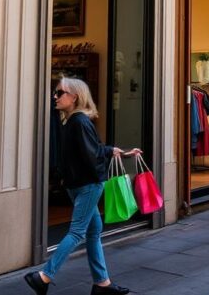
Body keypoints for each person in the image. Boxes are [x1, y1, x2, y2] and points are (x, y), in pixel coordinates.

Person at [24, 77, 136, 295]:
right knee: (77, 232)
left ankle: (102, 283)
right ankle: (44, 276)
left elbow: (90, 150)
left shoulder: (71, 122)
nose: (55, 97)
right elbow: (92, 155)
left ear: (74, 97)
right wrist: (102, 171)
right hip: (88, 184)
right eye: (56, 93)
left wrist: (112, 150)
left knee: (94, 231)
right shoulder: (79, 121)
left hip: (76, 185)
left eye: (59, 93)